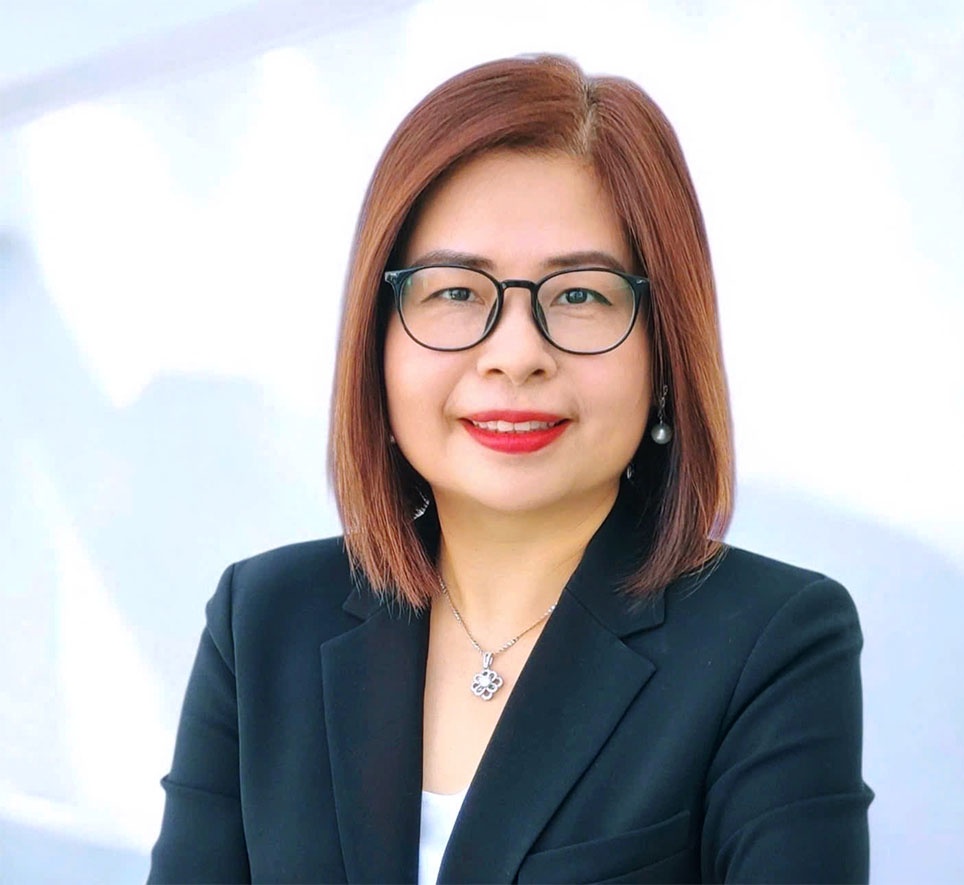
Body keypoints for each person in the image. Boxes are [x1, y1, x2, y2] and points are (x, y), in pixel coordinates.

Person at [148, 54, 873, 883]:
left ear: (665, 345)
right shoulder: (262, 619)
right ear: (377, 341)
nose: (517, 353)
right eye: (456, 292)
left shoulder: (773, 641)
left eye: (581, 294)